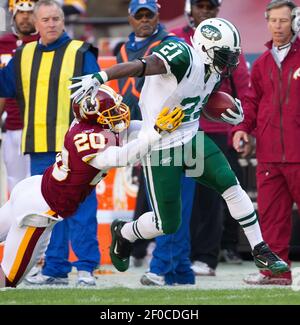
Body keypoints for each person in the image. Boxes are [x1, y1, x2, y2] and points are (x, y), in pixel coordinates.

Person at [70, 17, 289, 279]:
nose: (230, 61)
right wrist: (102, 75)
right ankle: (124, 233)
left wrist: (222, 114)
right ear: (206, 48)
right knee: (167, 223)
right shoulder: (184, 55)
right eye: (225, 54)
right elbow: (143, 65)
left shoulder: (213, 69)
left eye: (232, 55)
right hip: (161, 144)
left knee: (231, 185)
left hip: (191, 137)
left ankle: (260, 249)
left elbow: (196, 103)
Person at [0, 84, 184, 287]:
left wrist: (158, 127)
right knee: (8, 278)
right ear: (94, 116)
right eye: (111, 111)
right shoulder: (90, 138)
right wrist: (156, 132)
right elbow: (121, 157)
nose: (119, 113)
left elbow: (132, 129)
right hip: (39, 210)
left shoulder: (96, 126)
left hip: (34, 189)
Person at [0, 0, 100, 286]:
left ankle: (85, 268)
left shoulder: (80, 52)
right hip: (40, 145)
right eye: (46, 19)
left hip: (77, 148)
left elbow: (96, 95)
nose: (52, 24)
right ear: (35, 22)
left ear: (63, 20)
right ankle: (54, 268)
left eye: (56, 18)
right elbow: (4, 86)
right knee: (45, 212)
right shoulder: (24, 53)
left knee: (82, 208)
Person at [115, 0, 196, 286]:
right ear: (131, 18)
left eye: (150, 14)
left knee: (170, 205)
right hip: (145, 134)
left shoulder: (172, 43)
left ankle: (163, 266)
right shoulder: (123, 49)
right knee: (167, 205)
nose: (145, 20)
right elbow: (125, 96)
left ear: (159, 15)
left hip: (174, 133)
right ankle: (181, 269)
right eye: (140, 15)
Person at [170, 0, 250, 277]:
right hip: (177, 129)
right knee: (176, 194)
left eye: (211, 6)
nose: (206, 11)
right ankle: (176, 253)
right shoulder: (175, 40)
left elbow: (241, 90)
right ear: (190, 9)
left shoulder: (228, 37)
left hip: (213, 130)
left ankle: (205, 256)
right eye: (201, 6)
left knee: (210, 197)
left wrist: (239, 126)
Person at [232, 0, 300, 286]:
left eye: (283, 21)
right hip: (270, 155)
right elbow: (251, 102)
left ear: (295, 22)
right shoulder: (260, 63)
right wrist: (242, 129)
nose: (278, 26)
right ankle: (276, 273)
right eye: (273, 21)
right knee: (272, 218)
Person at [0, 0, 38, 194]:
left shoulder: (44, 42)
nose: (25, 17)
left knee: (37, 183)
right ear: (13, 14)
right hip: (12, 126)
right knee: (14, 183)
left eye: (30, 12)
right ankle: (17, 224)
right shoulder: (3, 43)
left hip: (38, 126)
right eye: (20, 12)